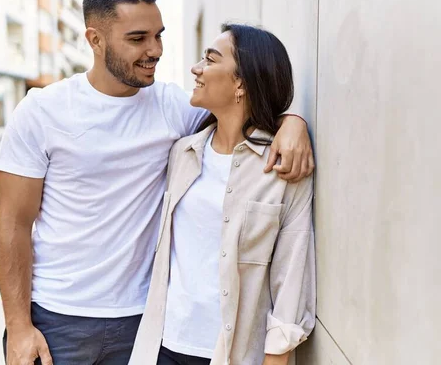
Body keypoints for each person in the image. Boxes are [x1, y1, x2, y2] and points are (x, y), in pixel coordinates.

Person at [0, 0, 314, 365]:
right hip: (58, 318)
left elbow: (246, 108)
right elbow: (12, 224)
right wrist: (19, 325)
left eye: (158, 36)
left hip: (142, 323)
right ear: (95, 40)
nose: (155, 50)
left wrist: (294, 121)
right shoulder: (42, 111)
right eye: (137, 38)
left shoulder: (175, 109)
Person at [129, 24, 316, 365]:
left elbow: (292, 278)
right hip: (164, 345)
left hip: (232, 353)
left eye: (210, 60)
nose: (196, 69)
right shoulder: (183, 153)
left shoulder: (282, 168)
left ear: (241, 84)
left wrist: (277, 356)